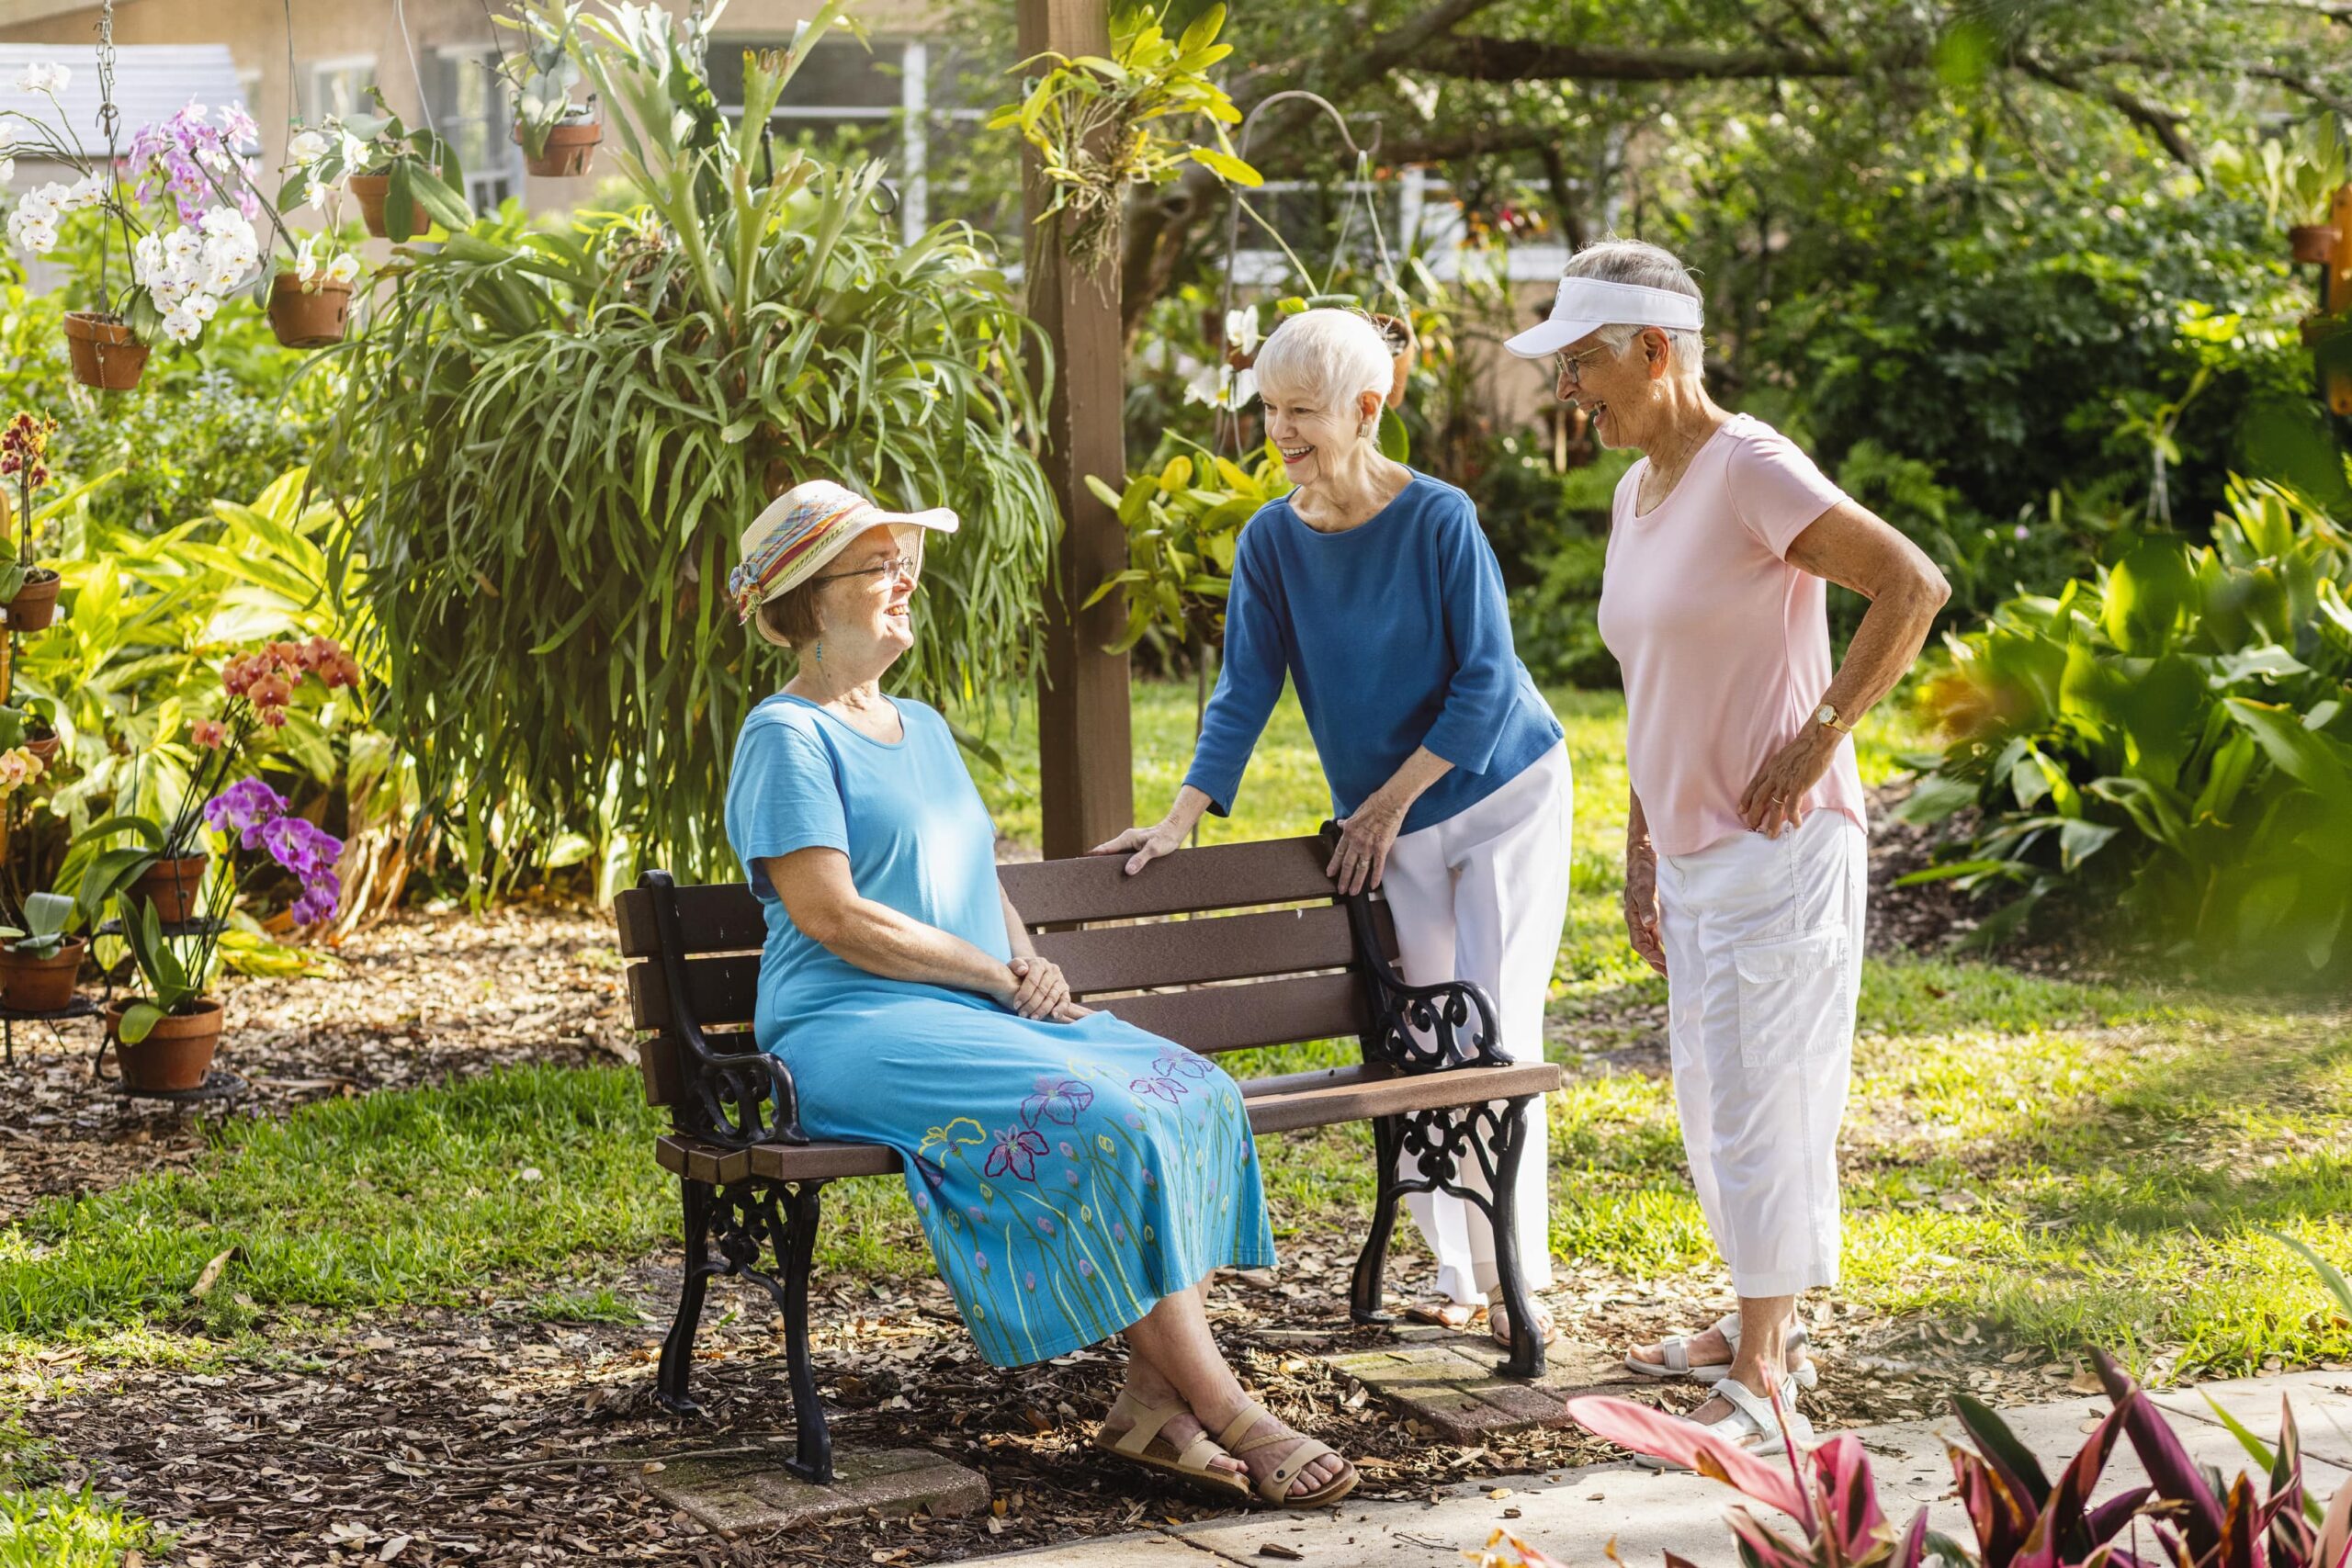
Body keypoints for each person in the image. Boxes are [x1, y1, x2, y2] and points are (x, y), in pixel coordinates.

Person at [723, 479, 1359, 1507]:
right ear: (807, 597)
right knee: (1103, 1118)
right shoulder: (786, 736)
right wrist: (992, 975)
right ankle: (1226, 1405)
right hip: (845, 1026)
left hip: (971, 1005)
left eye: (906, 562)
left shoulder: (918, 724)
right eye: (879, 566)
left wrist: (1028, 960)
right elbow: (831, 915)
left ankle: (1150, 1403)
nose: (906, 580)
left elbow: (979, 880)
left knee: (1194, 1092)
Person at [1504, 241, 1950, 1451]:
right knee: (1712, 1096)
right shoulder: (1633, 490)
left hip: (1780, 845)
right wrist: (1640, 842)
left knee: (1768, 1096)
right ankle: (1762, 1317)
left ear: (1656, 348)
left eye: (1584, 362)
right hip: (1695, 844)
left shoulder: (1748, 464)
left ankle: (1765, 1368)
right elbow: (1658, 681)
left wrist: (1819, 738)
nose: (1570, 391)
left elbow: (1909, 584)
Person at [1094, 310, 1573, 1349]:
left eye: (1300, 411)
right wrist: (1183, 816)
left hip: (1499, 797)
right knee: (1425, 1034)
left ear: (1367, 408)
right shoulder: (1271, 540)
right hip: (1388, 819)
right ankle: (1458, 1276)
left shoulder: (1441, 518)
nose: (1279, 431)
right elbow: (1243, 688)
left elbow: (1486, 684)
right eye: (1267, 409)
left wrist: (1389, 804)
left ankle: (1511, 1280)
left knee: (1490, 1027)